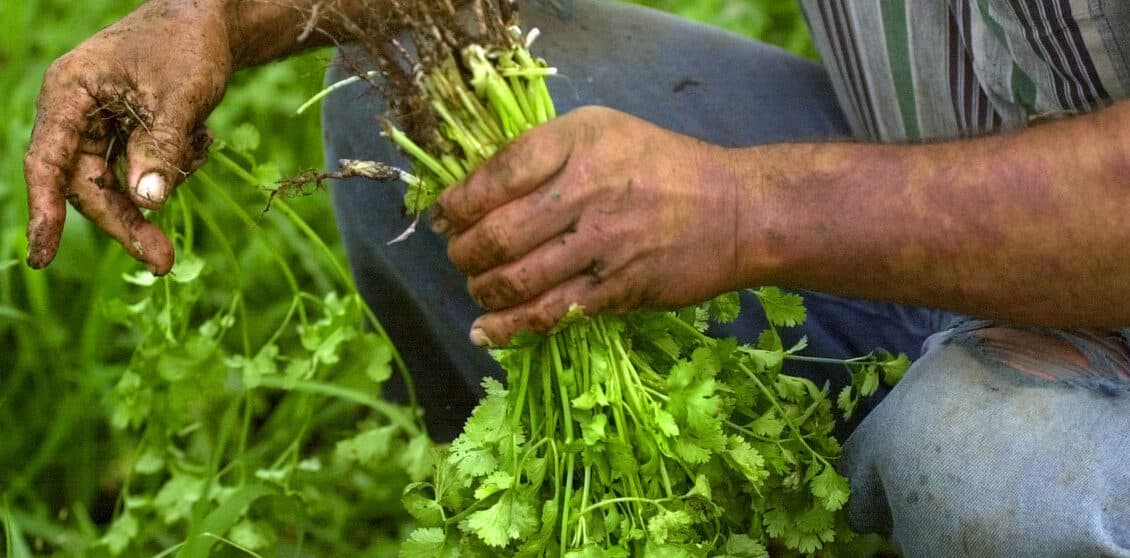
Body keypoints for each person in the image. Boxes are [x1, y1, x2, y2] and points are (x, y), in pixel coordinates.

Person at [23, 0, 1130, 555]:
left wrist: (752, 208)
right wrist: (212, 15)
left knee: (990, 465)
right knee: (409, 80)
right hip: (928, 201)